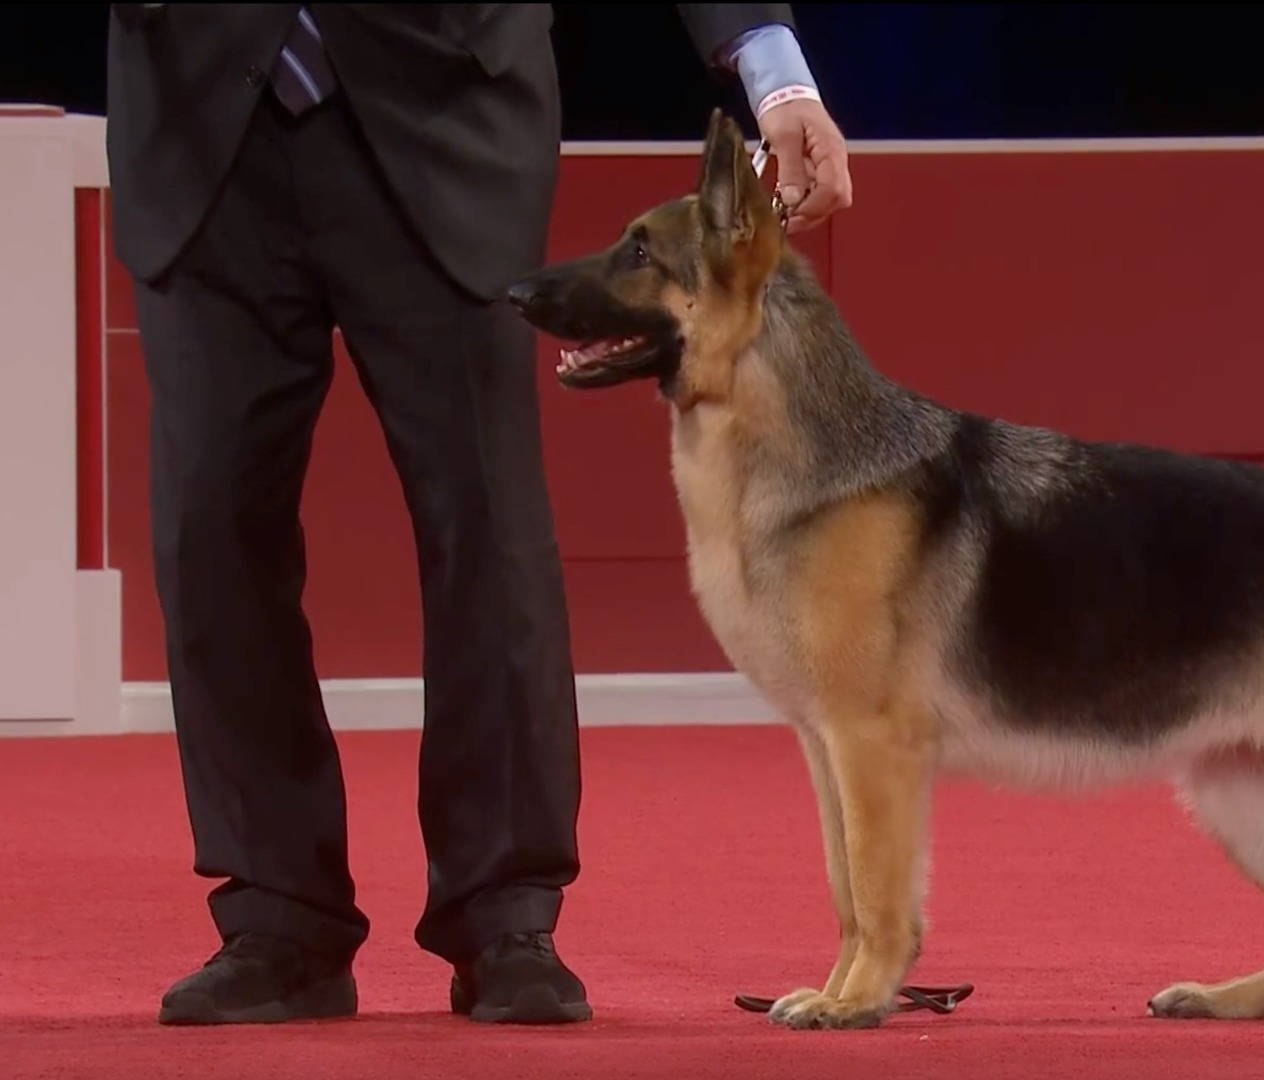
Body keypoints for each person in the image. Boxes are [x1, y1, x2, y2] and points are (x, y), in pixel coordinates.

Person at [103, 2, 852, 1027]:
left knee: (487, 525)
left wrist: (771, 68)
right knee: (209, 529)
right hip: (196, 117)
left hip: (443, 103)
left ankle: (504, 912)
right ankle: (277, 920)